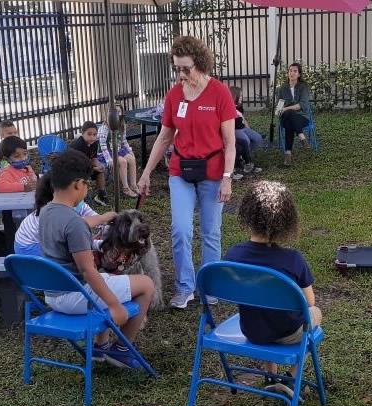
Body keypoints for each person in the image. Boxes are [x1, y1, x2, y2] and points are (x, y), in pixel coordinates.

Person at [137, 36, 236, 309]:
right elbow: (164, 138)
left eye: (186, 69)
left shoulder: (219, 93)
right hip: (181, 168)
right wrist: (146, 173)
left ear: (200, 64)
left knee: (210, 231)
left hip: (213, 170)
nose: (181, 75)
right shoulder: (174, 94)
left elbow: (230, 143)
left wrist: (227, 177)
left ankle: (210, 285)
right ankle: (184, 287)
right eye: (177, 69)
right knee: (181, 229)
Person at [39, 150, 155, 369]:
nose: (87, 188)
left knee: (105, 277)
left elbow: (77, 225)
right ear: (77, 184)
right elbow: (88, 271)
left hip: (52, 295)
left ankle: (100, 347)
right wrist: (115, 306)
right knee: (146, 284)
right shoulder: (74, 224)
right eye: (87, 184)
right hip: (76, 296)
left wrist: (102, 218)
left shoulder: (46, 212)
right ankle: (122, 349)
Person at [224, 180, 322, 396]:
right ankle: (293, 377)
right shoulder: (293, 260)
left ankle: (271, 374)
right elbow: (309, 302)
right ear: (286, 221)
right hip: (288, 332)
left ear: (247, 215)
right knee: (316, 313)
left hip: (251, 329)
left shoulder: (233, 256)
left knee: (262, 308)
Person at [14, 172, 116, 256]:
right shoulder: (51, 211)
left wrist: (105, 226)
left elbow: (91, 216)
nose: (86, 186)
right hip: (30, 249)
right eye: (83, 183)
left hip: (41, 244)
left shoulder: (76, 203)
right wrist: (99, 243)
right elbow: (74, 229)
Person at [98, 104, 139, 198]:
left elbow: (124, 141)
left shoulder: (122, 125)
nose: (118, 114)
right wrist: (108, 159)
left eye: (119, 112)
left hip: (118, 150)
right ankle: (125, 188)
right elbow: (102, 145)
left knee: (131, 159)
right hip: (107, 152)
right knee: (123, 162)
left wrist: (129, 150)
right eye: (115, 112)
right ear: (110, 114)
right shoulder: (105, 127)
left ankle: (133, 185)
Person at [277, 62, 312, 166]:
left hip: (302, 117)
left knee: (289, 121)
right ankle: (302, 137)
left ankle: (288, 154)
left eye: (295, 71)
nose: (292, 73)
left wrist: (286, 108)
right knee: (289, 114)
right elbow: (279, 106)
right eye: (290, 71)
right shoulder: (282, 88)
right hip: (286, 117)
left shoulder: (303, 87)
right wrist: (279, 110)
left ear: (299, 74)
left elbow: (301, 105)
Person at [70, 121, 108, 207]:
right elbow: (79, 166)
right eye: (89, 134)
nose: (92, 137)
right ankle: (83, 198)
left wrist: (98, 165)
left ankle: (101, 195)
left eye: (94, 135)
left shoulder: (94, 143)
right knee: (84, 175)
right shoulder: (78, 145)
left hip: (85, 167)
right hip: (73, 170)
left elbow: (93, 158)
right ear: (83, 133)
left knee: (100, 171)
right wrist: (94, 168)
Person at [230, 86, 263, 175]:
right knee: (246, 141)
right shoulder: (228, 106)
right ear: (234, 96)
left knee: (257, 138)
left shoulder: (239, 107)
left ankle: (243, 156)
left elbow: (243, 119)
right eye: (240, 96)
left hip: (242, 127)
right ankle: (245, 161)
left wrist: (248, 129)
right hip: (235, 129)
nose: (241, 98)